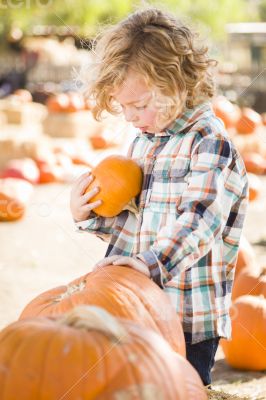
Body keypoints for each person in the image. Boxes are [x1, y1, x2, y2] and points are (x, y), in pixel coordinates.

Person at [70, 7, 248, 386]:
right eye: (124, 107)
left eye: (140, 105)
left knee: (175, 390)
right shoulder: (144, 142)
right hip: (129, 309)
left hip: (183, 320)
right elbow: (133, 220)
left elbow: (200, 221)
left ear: (179, 83)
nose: (132, 117)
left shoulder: (209, 144)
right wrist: (90, 213)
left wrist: (150, 264)